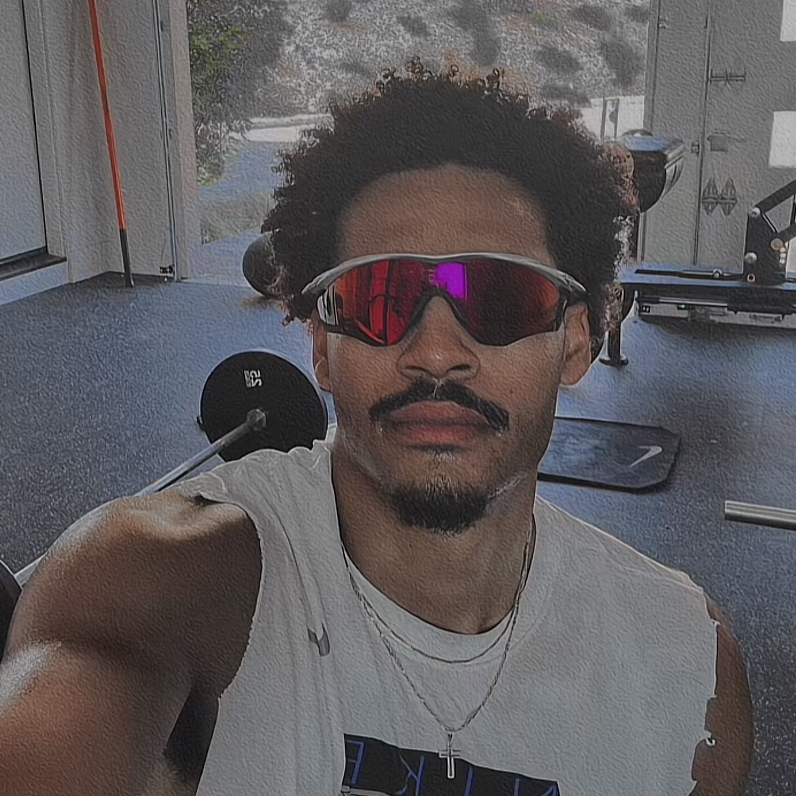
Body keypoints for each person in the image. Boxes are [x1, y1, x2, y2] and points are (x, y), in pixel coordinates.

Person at [0, 60, 753, 796]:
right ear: (323, 348)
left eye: (500, 298)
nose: (435, 352)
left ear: (579, 342)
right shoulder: (162, 576)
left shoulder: (686, 673)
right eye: (378, 299)